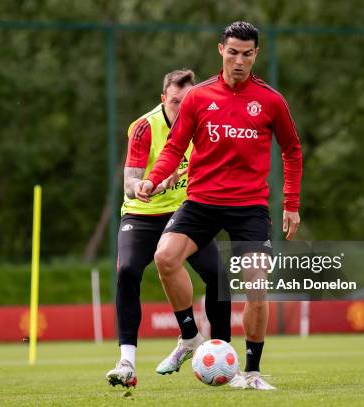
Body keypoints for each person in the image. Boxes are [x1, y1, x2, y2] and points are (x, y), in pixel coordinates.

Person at [136, 21, 302, 390]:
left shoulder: (271, 101)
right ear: (220, 51)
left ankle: (253, 372)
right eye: (232, 52)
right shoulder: (198, 97)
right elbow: (175, 147)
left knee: (256, 285)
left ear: (256, 54)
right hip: (202, 202)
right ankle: (191, 336)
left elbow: (292, 150)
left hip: (249, 207)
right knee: (165, 257)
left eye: (247, 53)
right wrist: (154, 177)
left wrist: (291, 203)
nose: (239, 60)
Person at [106, 69, 231, 388]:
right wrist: (156, 184)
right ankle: (126, 363)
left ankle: (225, 359)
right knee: (128, 272)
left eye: (187, 101)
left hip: (186, 213)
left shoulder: (205, 125)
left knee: (217, 275)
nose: (181, 107)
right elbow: (129, 185)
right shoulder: (145, 127)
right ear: (164, 99)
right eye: (175, 101)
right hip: (142, 213)